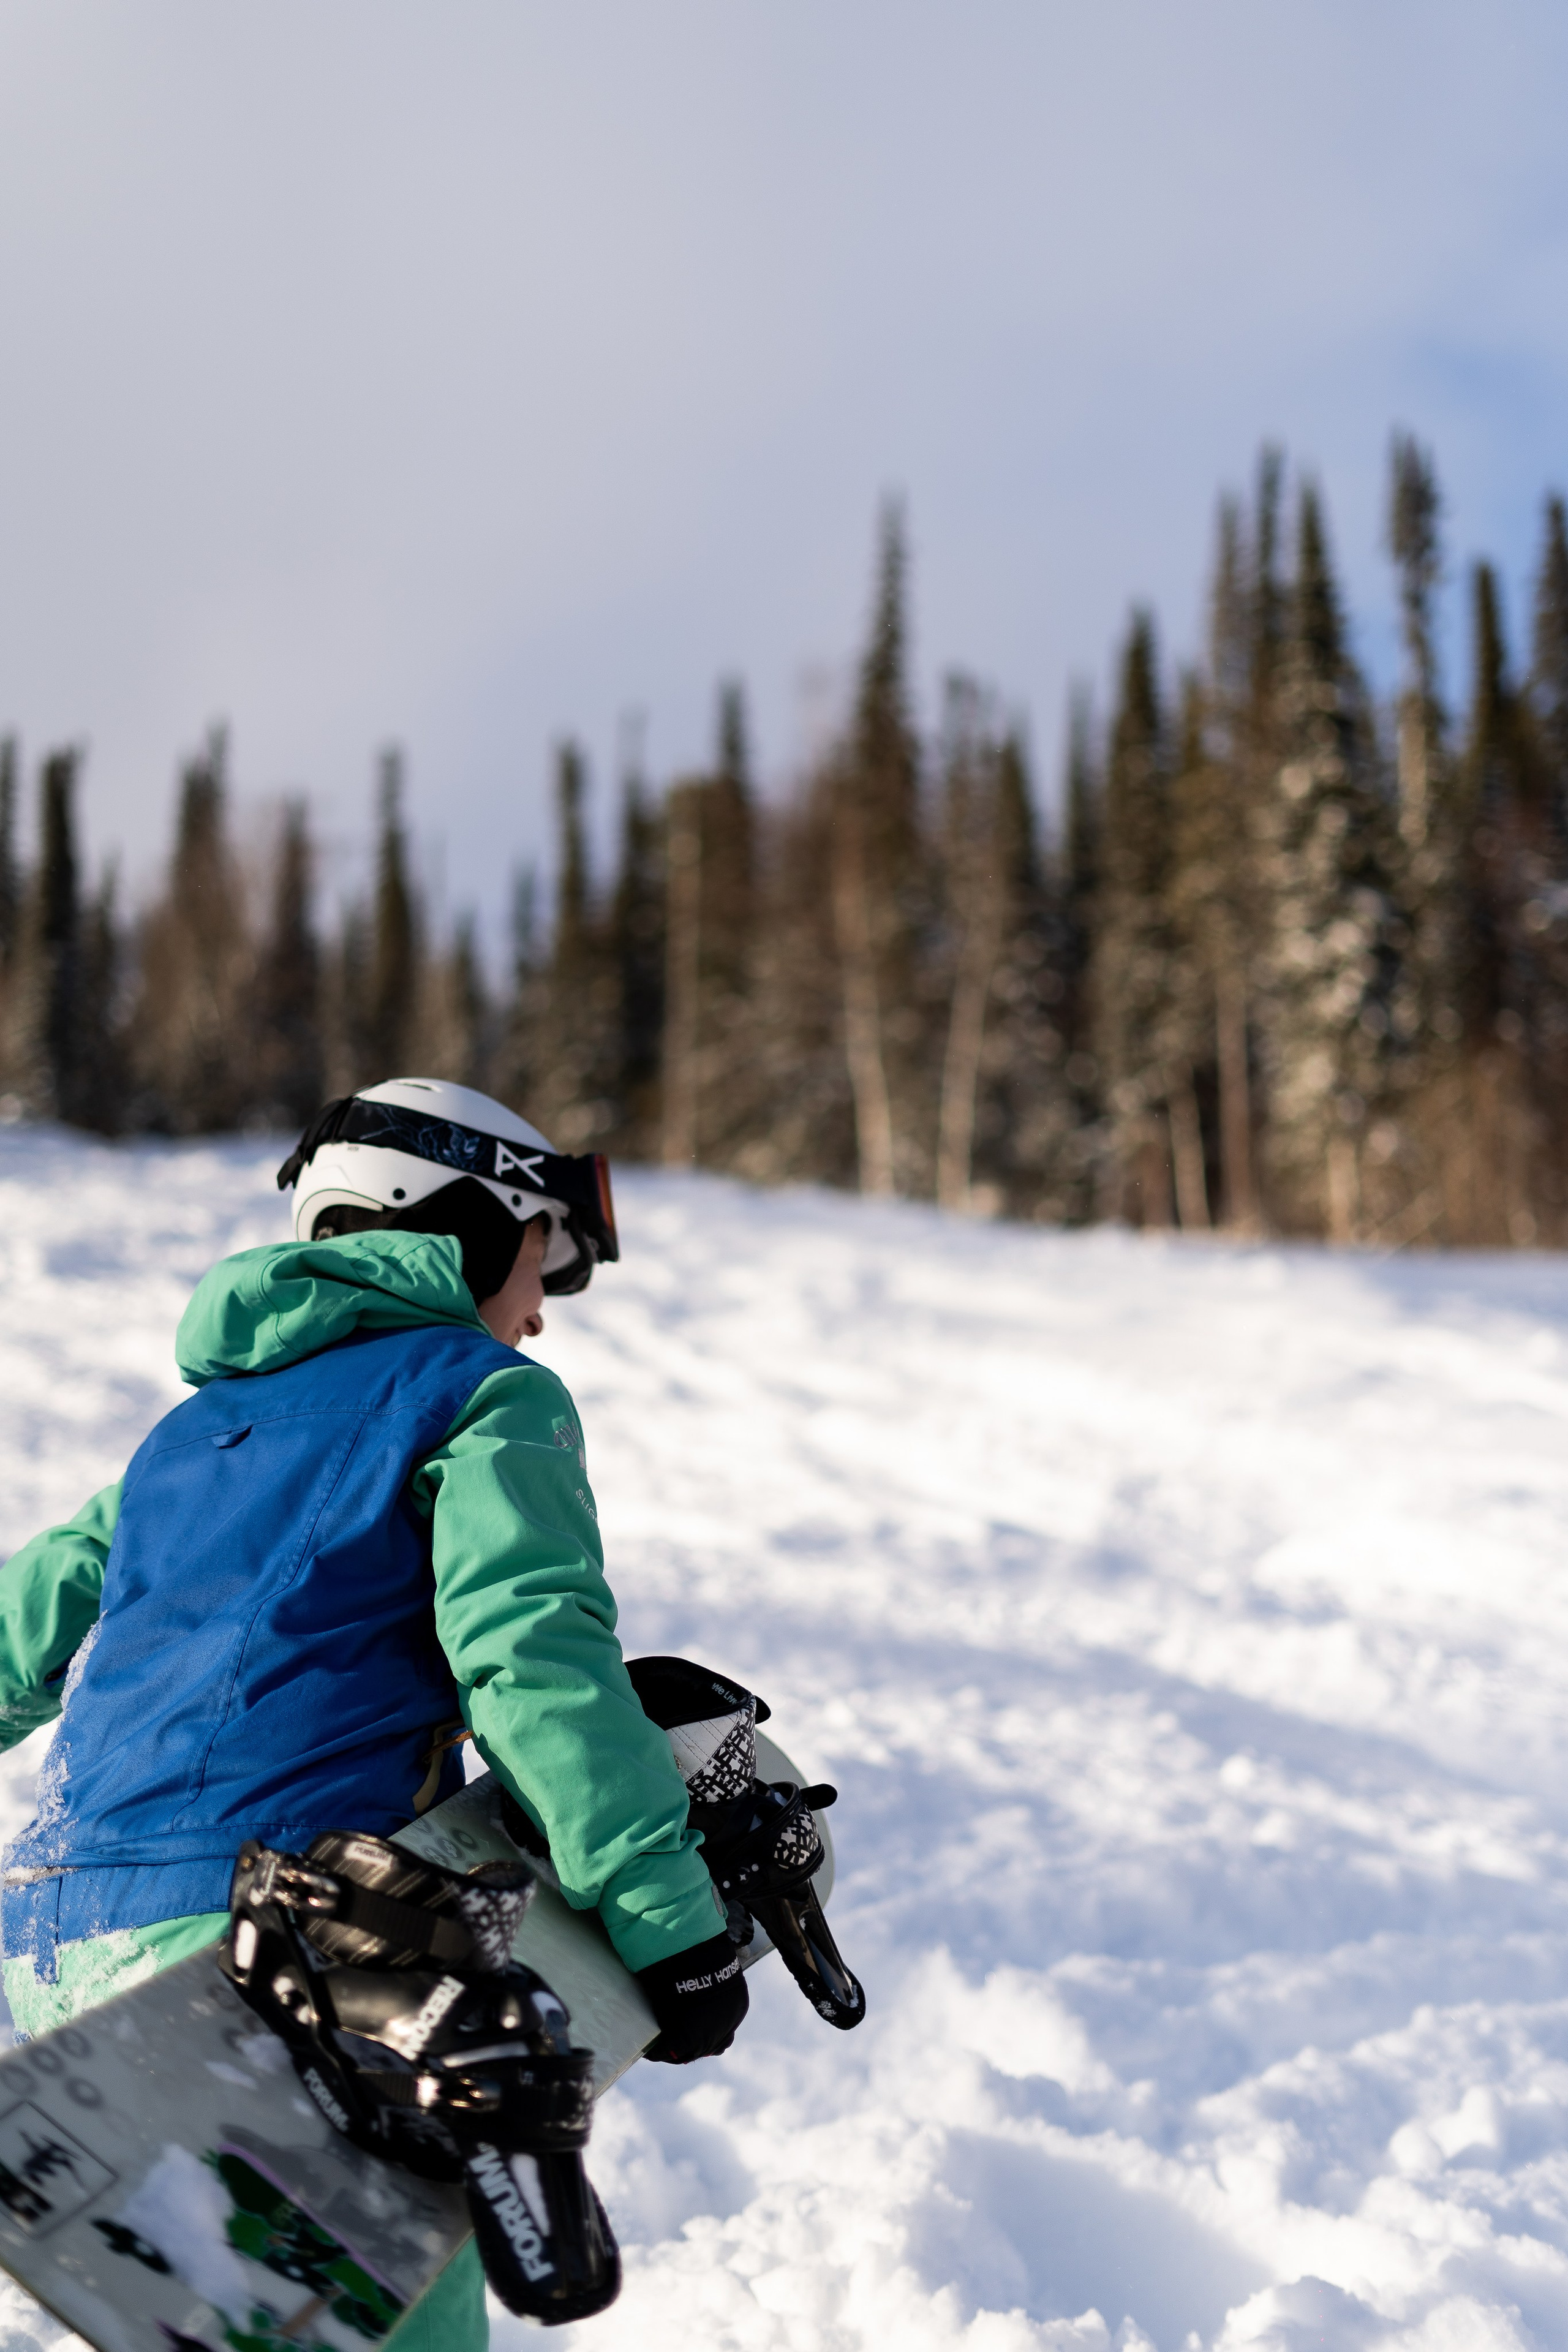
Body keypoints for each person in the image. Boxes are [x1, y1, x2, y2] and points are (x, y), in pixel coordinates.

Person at [0, 1077, 748, 2349]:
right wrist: (667, 1921)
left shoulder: (184, 1441)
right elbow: (530, 1659)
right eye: (538, 1264)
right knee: (404, 2323)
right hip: (288, 1954)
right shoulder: (478, 1394)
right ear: (457, 1227)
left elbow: (21, 1627)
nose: (540, 1320)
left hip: (51, 1952)